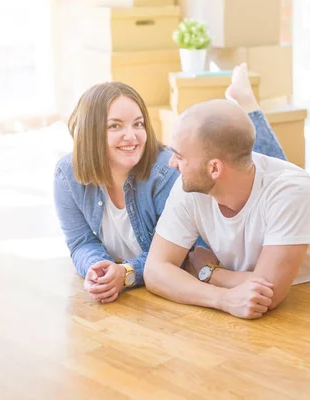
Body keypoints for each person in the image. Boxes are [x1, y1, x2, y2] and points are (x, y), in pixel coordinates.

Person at [53, 64, 287, 304]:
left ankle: (249, 107)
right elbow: (80, 242)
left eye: (138, 123)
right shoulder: (67, 174)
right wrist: (98, 269)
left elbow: (183, 254)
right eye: (115, 126)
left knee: (270, 177)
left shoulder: (167, 172)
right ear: (90, 133)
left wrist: (126, 272)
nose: (132, 136)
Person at [143, 98, 310, 319]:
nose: (172, 163)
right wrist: (223, 299)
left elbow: (268, 291)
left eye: (179, 156)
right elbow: (155, 271)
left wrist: (209, 272)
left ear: (215, 169)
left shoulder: (293, 191)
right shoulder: (192, 185)